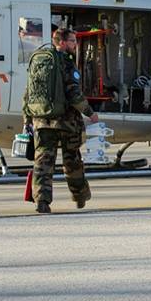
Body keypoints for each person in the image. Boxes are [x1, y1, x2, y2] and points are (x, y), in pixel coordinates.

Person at [24, 28, 99, 214]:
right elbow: (74, 94)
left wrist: (28, 120)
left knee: (42, 161)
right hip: (66, 123)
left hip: (41, 121)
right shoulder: (66, 63)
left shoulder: (40, 62)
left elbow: (28, 94)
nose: (75, 44)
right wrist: (90, 112)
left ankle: (41, 201)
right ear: (63, 42)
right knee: (71, 159)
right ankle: (80, 195)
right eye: (73, 41)